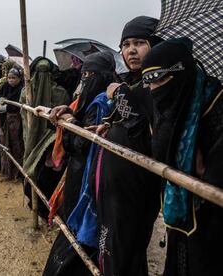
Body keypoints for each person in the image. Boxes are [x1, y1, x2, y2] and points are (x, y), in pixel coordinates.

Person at [141, 37, 223, 276]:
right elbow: (161, 149)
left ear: (182, 72)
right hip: (180, 212)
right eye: (148, 81)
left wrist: (206, 172)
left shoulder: (215, 103)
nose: (154, 89)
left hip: (212, 220)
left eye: (159, 78)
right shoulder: (175, 103)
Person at [87, 16, 162, 275]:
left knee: (123, 247)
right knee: (118, 251)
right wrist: (109, 125)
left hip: (135, 184)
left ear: (156, 44)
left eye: (140, 42)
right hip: (114, 183)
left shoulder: (160, 84)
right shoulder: (135, 82)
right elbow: (128, 121)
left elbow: (142, 120)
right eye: (126, 44)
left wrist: (117, 93)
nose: (131, 50)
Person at [42, 51, 116, 276]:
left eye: (91, 74)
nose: (85, 78)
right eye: (83, 73)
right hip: (76, 173)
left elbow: (81, 144)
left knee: (82, 238)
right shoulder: (86, 100)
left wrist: (71, 122)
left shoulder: (104, 103)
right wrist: (68, 112)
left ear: (103, 76)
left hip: (89, 176)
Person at [21, 57, 70, 218]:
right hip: (41, 139)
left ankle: (44, 208)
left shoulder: (28, 91)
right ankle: (42, 207)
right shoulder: (27, 91)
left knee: (44, 175)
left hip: (50, 142)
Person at [0, 68, 24, 180]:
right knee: (3, 143)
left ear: (19, 79)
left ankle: (16, 173)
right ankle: (6, 170)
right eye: (9, 78)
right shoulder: (5, 86)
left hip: (16, 121)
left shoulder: (21, 89)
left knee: (15, 145)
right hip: (4, 120)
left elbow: (19, 104)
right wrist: (0, 99)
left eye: (14, 78)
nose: (11, 80)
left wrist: (7, 106)